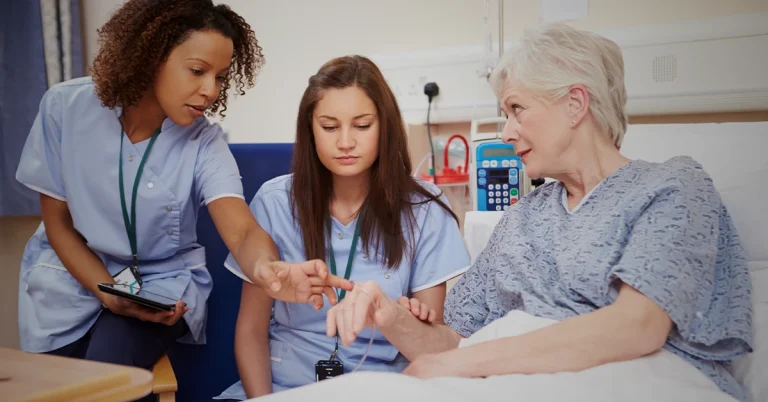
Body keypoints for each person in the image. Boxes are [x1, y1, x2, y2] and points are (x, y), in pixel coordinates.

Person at [319, 24, 754, 402]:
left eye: (517, 110)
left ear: (575, 104)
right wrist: (389, 315)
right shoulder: (523, 218)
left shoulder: (672, 188)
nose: (506, 132)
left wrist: (459, 364)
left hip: (636, 379)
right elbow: (450, 343)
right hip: (508, 381)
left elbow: (636, 328)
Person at [14, 0, 351, 390]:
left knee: (106, 377)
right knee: (52, 388)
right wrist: (105, 292)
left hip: (157, 289)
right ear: (152, 56)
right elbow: (58, 224)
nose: (210, 90)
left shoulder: (204, 142)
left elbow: (241, 231)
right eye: (197, 71)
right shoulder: (64, 108)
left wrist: (266, 270)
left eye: (221, 77)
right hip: (71, 277)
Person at [215, 55, 471, 400]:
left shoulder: (423, 207)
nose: (346, 142)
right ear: (310, 130)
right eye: (330, 127)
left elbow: (432, 348)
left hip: (381, 390)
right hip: (281, 389)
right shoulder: (275, 202)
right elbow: (250, 331)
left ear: (386, 126)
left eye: (362, 126)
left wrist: (401, 318)